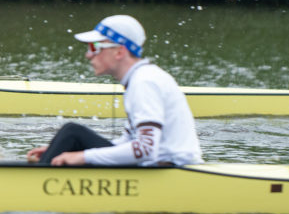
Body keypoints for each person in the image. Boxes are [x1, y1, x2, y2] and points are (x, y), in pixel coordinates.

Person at [28, 14, 201, 167]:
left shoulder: (145, 82)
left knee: (72, 132)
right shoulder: (140, 78)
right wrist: (71, 149)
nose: (88, 55)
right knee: (73, 138)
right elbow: (129, 143)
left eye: (95, 47)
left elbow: (145, 149)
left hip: (169, 168)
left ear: (119, 52)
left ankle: (33, 187)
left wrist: (83, 156)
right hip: (158, 164)